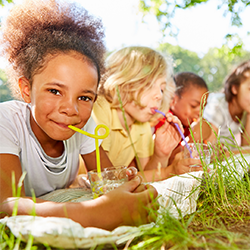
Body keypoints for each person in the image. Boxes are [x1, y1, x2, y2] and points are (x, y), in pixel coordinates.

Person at [0, 0, 159, 231]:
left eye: (84, 98)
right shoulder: (6, 121)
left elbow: (107, 180)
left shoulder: (84, 127)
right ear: (27, 89)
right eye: (55, 91)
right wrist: (98, 213)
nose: (70, 109)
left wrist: (128, 187)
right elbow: (7, 205)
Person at [92, 46, 204, 181]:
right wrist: (170, 171)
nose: (159, 96)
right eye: (150, 85)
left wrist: (161, 154)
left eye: (162, 89)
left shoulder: (141, 125)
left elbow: (148, 176)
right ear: (123, 82)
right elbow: (104, 179)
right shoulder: (100, 109)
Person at [193, 60, 250, 149]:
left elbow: (246, 147)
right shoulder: (218, 105)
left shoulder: (246, 110)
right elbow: (209, 148)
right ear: (234, 88)